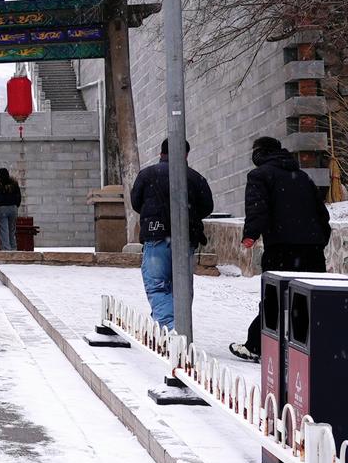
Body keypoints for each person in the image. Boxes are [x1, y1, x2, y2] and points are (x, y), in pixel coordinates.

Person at [232, 136, 332, 361]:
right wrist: (318, 240)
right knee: (306, 300)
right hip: (312, 248)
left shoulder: (259, 175)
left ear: (261, 152)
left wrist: (250, 235)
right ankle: (306, 352)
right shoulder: (303, 177)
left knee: (273, 298)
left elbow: (258, 208)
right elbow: (322, 213)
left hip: (281, 247)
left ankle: (256, 346)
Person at [129, 139, 215, 331]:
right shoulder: (195, 177)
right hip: (186, 239)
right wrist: (185, 217)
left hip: (155, 235)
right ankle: (180, 328)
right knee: (182, 288)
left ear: (161, 153)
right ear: (186, 155)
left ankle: (170, 328)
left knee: (158, 285)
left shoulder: (147, 174)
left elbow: (136, 202)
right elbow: (207, 207)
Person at [0, 168, 22, 252]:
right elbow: (18, 196)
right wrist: (16, 205)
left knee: (3, 230)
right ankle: (13, 248)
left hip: (1, 208)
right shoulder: (14, 184)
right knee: (12, 230)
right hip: (13, 208)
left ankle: (6, 249)